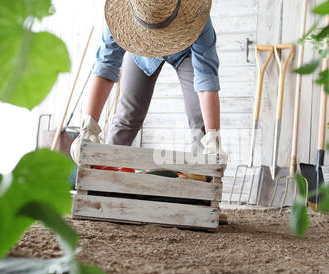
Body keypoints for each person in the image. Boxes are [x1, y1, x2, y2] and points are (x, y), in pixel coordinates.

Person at [71, 0, 226, 164]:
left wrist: (213, 139)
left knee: (199, 117)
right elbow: (105, 68)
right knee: (127, 116)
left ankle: (204, 174)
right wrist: (88, 127)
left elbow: (206, 81)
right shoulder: (117, 17)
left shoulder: (198, 16)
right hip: (141, 47)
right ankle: (107, 172)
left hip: (185, 47)